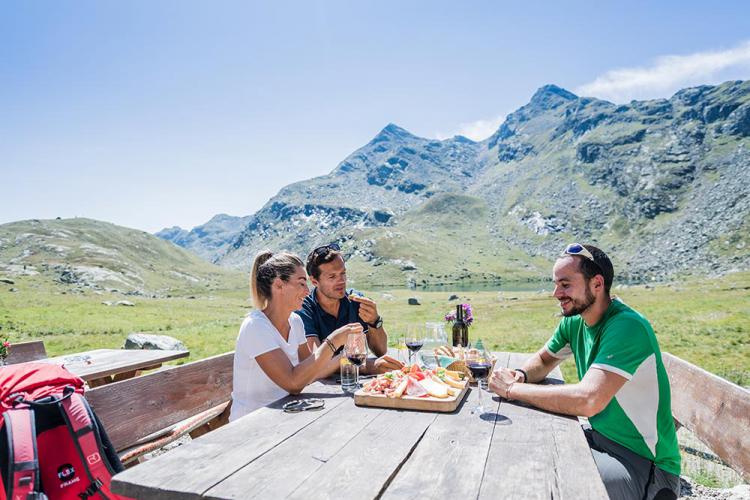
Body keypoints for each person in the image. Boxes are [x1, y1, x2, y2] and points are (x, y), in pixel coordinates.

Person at [488, 243, 681, 500]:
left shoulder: (627, 326)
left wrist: (512, 390)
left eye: (565, 284)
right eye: (556, 284)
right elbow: (544, 360)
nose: (556, 293)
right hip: (601, 441)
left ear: (597, 284)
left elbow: (588, 400)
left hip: (645, 467)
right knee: (524, 453)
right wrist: (521, 375)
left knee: (548, 483)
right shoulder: (575, 321)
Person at [230, 250, 361, 421]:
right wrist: (334, 341)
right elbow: (293, 383)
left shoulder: (295, 321)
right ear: (279, 285)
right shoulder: (255, 326)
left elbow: (311, 373)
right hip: (251, 423)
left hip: (286, 413)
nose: (308, 291)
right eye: (301, 284)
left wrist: (346, 356)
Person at [297, 243, 403, 375]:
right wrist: (366, 366)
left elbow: (380, 351)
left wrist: (374, 322)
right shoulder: (304, 308)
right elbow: (317, 364)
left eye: (343, 273)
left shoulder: (355, 300)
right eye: (332, 276)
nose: (341, 281)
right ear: (314, 281)